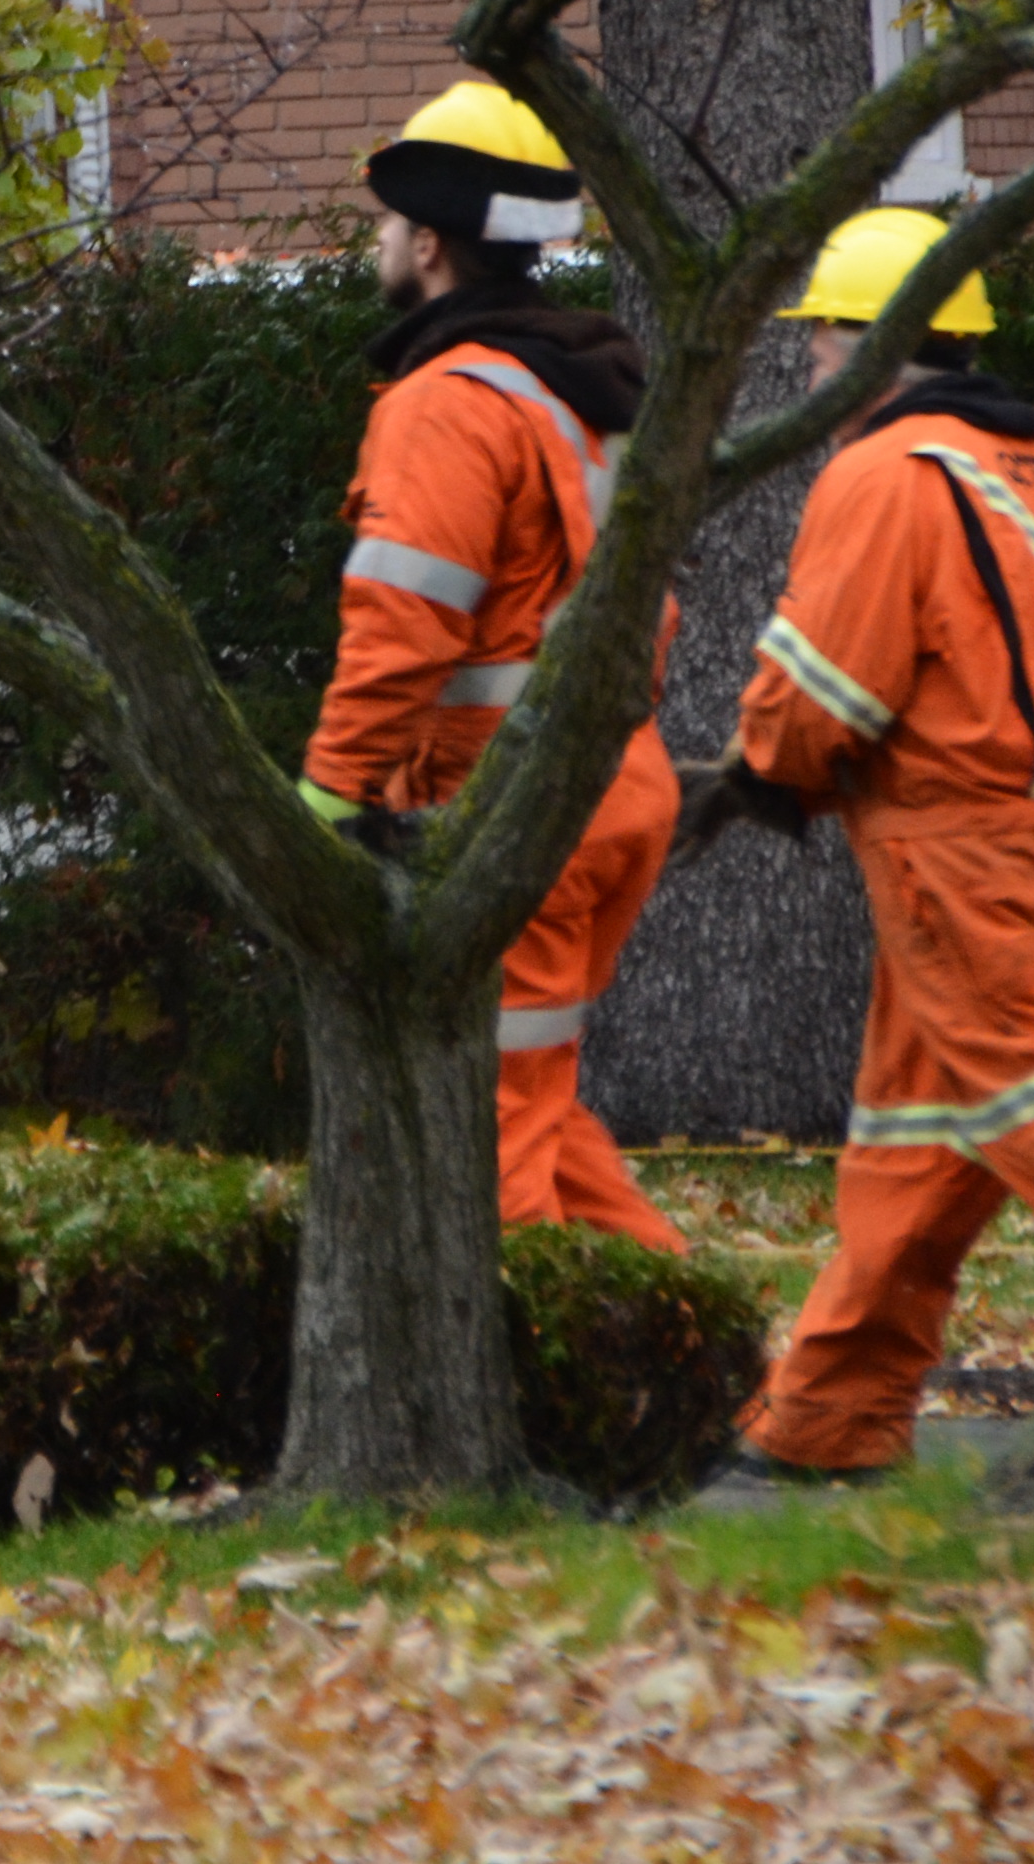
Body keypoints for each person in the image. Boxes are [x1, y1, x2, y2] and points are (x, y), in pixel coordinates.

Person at [700, 205, 1034, 1486]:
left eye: (820, 342)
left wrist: (754, 775)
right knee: (918, 1132)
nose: (806, 372)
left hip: (955, 839)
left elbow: (814, 696)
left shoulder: (886, 474)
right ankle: (828, 1415)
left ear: (880, 342)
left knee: (1033, 1086)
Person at [306, 81, 687, 1252]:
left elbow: (404, 627)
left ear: (427, 243)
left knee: (490, 1134)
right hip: (608, 789)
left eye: (385, 225)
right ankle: (692, 1355)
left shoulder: (446, 405)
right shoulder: (585, 397)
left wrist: (327, 792)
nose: (377, 241)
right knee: (536, 1101)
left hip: (500, 807)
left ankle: (536, 1393)